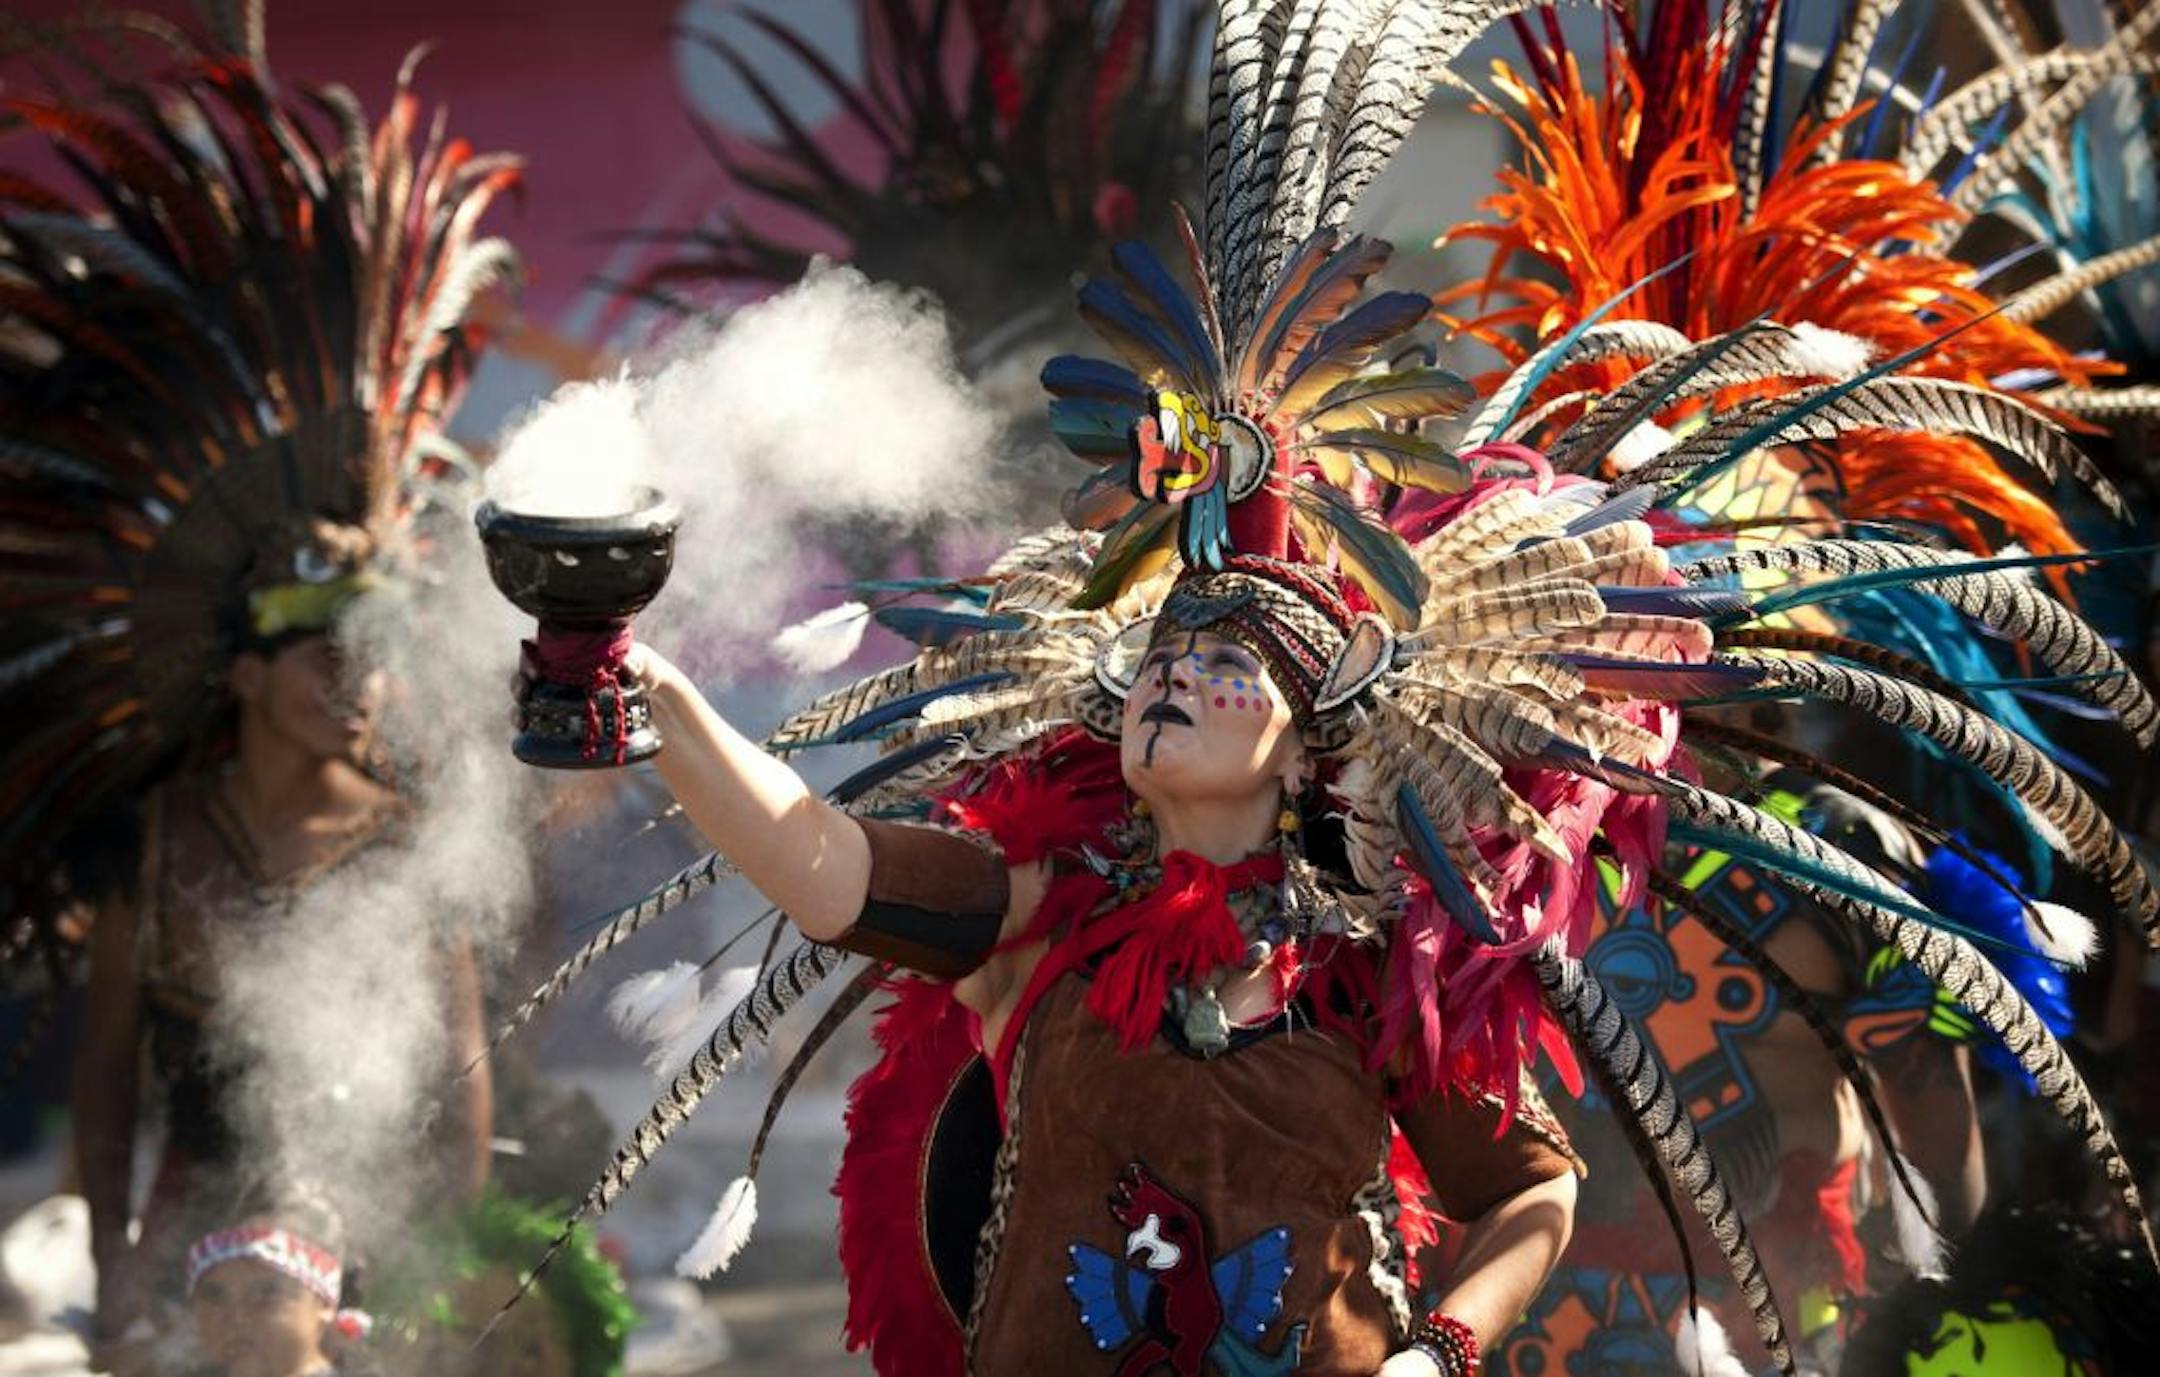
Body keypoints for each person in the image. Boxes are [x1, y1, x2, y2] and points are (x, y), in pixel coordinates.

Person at [486, 5, 2155, 1376]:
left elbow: (1530, 1197)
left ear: (1307, 748)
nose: (1175, 676)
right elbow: (813, 858)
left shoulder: (1365, 966)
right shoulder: (1032, 912)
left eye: (1228, 661)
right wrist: (641, 680)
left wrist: (1436, 1350)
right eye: (1164, 652)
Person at [0, 9, 519, 1348]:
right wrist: (118, 1267)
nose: (358, 680)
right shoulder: (161, 842)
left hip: (366, 1259)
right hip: (190, 1264)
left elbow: (461, 1101)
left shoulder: (412, 846)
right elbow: (109, 1089)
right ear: (238, 673)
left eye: (377, 653)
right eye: (319, 652)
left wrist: (430, 1278)